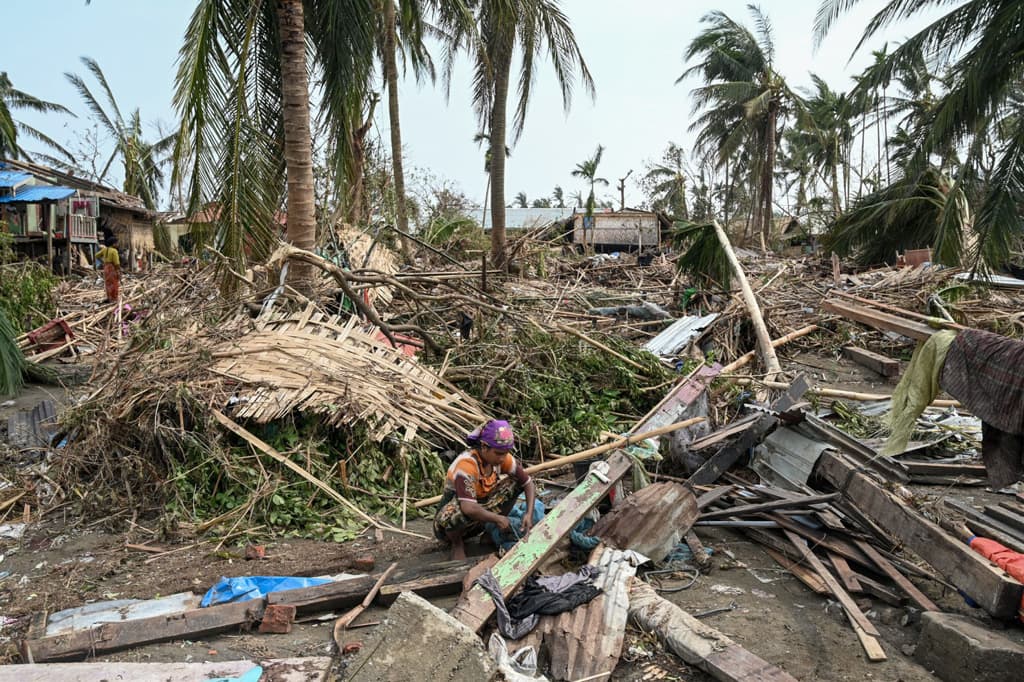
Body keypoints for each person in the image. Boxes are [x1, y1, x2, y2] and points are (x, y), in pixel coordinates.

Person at [434, 420, 537, 560]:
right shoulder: (467, 465)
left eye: (505, 453)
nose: (502, 458)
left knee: (516, 482)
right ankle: (457, 544)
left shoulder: (502, 459)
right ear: (484, 447)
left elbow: (528, 483)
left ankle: (489, 532)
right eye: (498, 453)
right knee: (454, 512)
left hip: (481, 509)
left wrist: (528, 514)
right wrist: (498, 518)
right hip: (449, 524)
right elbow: (468, 508)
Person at [96, 236, 121, 303]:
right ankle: (114, 298)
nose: (118, 244)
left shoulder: (105, 249)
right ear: (113, 244)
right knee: (114, 283)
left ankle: (109, 297)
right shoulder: (114, 251)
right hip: (112, 268)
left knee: (108, 283)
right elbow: (116, 263)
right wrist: (118, 271)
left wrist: (102, 262)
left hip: (106, 267)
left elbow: (96, 255)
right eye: (117, 243)